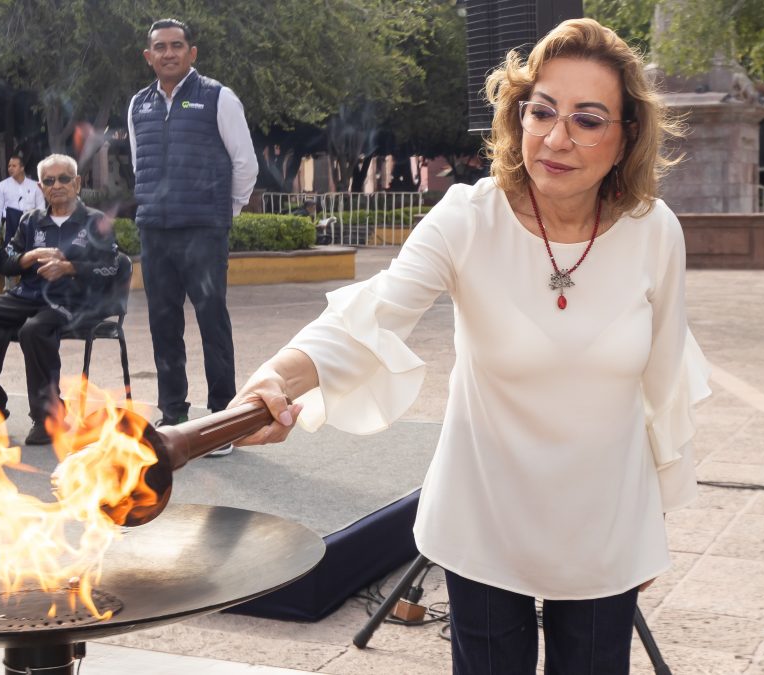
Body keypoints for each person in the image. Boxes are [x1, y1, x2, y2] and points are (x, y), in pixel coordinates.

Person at [229, 18, 710, 674]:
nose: (556, 136)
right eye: (541, 110)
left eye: (588, 119)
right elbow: (369, 317)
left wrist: (652, 523)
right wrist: (277, 378)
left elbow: (664, 385)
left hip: (607, 525)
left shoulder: (656, 233)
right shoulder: (468, 217)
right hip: (483, 514)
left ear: (627, 136)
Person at [127, 17, 258, 454]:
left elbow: (245, 164)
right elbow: (137, 163)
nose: (168, 53)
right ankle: (174, 417)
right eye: (159, 47)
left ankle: (222, 421)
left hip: (204, 231)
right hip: (155, 232)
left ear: (192, 53)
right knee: (163, 325)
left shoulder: (218, 98)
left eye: (176, 46)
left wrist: (225, 213)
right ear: (149, 57)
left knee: (211, 323)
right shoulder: (137, 105)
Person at [0, 154, 120, 446]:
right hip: (29, 295)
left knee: (33, 330)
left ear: (77, 183)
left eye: (63, 179)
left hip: (73, 300)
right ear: (40, 187)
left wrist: (70, 267)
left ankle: (48, 417)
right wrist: (27, 257)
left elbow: (112, 268)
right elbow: (6, 263)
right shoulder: (31, 220)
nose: (56, 185)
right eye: (48, 180)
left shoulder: (95, 221)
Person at [0, 154, 45, 246]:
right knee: (10, 252)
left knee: (29, 252)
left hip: (30, 223)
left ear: (22, 168)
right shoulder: (2, 186)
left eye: (14, 166)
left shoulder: (35, 186)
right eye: (9, 166)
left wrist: (41, 228)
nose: (10, 168)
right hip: (10, 224)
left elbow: (41, 208)